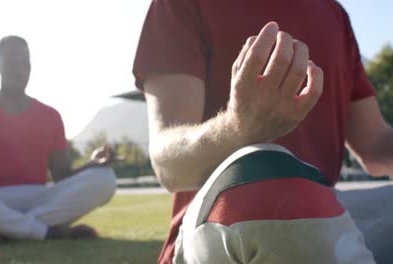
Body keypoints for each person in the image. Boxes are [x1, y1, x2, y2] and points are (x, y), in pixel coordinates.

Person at [133, 1, 393, 263]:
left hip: (324, 219)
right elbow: (168, 165)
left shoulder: (334, 14)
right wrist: (238, 128)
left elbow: (374, 143)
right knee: (266, 172)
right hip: (221, 227)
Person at [0, 36, 117, 245]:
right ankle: (46, 231)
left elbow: (62, 175)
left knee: (105, 178)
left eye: (25, 63)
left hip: (38, 199)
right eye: (12, 62)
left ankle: (7, 230)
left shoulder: (50, 116)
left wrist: (93, 163)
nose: (20, 69)